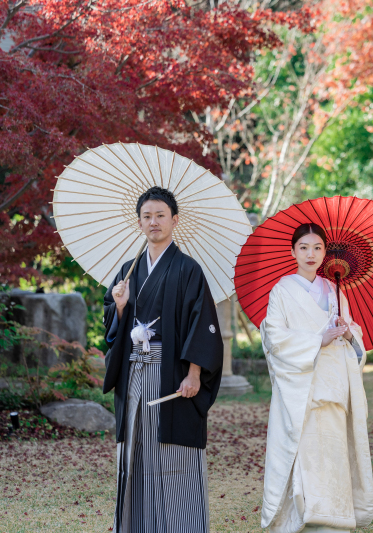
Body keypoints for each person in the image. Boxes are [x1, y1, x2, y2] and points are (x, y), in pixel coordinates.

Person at [102, 186, 224, 533]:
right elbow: (110, 323)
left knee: (172, 455)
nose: (153, 222)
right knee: (135, 451)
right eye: (146, 216)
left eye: (160, 215)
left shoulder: (188, 269)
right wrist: (120, 305)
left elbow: (201, 324)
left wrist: (195, 374)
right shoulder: (128, 270)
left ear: (174, 220)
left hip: (171, 374)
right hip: (133, 373)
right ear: (139, 222)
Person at [259, 223, 373, 533]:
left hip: (334, 385)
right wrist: (316, 341)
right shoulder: (282, 290)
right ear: (293, 251)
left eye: (318, 248)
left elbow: (354, 341)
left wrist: (349, 333)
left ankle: (334, 521)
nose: (311, 254)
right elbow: (273, 338)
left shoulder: (335, 291)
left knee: (333, 456)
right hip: (303, 389)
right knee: (305, 456)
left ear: (325, 252)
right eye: (304, 248)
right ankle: (304, 520)